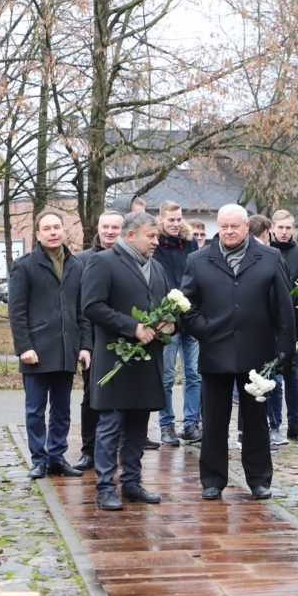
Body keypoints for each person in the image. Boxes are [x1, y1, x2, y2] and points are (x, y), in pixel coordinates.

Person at [181, 204, 295, 501]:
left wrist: (284, 347)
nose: (229, 231)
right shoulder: (198, 260)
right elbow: (186, 304)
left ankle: (259, 480)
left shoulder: (269, 257)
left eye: (234, 226)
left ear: (247, 227)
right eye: (224, 226)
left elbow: (284, 306)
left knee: (256, 422)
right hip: (215, 350)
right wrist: (204, 329)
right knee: (214, 421)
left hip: (256, 351)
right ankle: (212, 480)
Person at [81, 212, 169, 510]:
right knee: (110, 425)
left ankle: (132, 482)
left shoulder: (157, 267)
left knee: (138, 426)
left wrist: (170, 323)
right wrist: (132, 327)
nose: (156, 241)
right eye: (151, 236)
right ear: (130, 236)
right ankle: (106, 487)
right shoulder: (103, 262)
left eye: (157, 236)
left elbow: (164, 305)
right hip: (115, 359)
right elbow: (92, 306)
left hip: (147, 358)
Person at [9, 209, 90, 480]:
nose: (53, 232)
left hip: (67, 349)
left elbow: (82, 310)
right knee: (35, 410)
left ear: (64, 231)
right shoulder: (24, 266)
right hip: (36, 350)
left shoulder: (77, 265)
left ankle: (57, 457)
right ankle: (39, 459)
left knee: (62, 409)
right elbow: (17, 311)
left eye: (57, 227)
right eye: (47, 228)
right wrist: (24, 347)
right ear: (38, 234)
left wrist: (85, 346)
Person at [72, 210, 124, 471]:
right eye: (106, 227)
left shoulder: (131, 259)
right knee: (91, 395)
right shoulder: (81, 261)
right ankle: (89, 450)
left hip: (126, 338)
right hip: (93, 341)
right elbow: (78, 305)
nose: (110, 231)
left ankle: (121, 445)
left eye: (115, 227)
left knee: (125, 395)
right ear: (98, 228)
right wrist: (85, 345)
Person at [153, 201, 202, 447]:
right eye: (170, 219)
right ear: (161, 219)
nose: (175, 223)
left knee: (194, 373)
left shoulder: (190, 243)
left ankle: (192, 423)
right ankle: (166, 424)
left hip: (190, 316)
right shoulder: (155, 245)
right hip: (167, 319)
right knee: (167, 375)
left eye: (178, 219)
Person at [270, 210, 298, 441]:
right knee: (273, 374)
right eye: (280, 227)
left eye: (288, 227)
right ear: (272, 228)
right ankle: (275, 424)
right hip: (271, 322)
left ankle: (294, 423)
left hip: (294, 322)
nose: (284, 232)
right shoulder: (267, 251)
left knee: (292, 374)